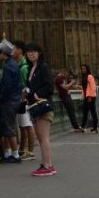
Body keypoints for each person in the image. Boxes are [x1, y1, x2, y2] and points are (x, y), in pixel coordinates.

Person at [21, 42, 56, 175]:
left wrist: (37, 94)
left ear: (39, 53)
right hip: (34, 106)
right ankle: (47, 164)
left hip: (42, 106)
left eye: (34, 51)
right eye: (29, 51)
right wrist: (27, 91)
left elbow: (50, 86)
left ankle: (47, 166)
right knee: (41, 138)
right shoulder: (32, 68)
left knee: (43, 137)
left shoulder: (43, 67)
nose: (31, 54)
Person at [80, 62, 99, 133]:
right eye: (82, 69)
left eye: (84, 68)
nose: (83, 70)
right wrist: (83, 96)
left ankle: (95, 127)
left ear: (87, 69)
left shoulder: (90, 76)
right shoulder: (83, 77)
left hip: (90, 96)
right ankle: (83, 127)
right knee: (85, 112)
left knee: (93, 111)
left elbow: (93, 87)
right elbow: (83, 88)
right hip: (86, 96)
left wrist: (90, 96)